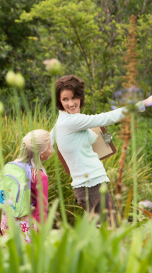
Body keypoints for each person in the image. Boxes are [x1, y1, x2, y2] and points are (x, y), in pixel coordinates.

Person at [50, 75, 152, 225]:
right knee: (112, 231)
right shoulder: (71, 121)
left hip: (91, 185)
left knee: (106, 233)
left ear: (80, 96)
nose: (70, 103)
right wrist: (143, 103)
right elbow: (107, 118)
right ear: (59, 101)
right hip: (90, 186)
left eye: (73, 97)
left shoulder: (63, 121)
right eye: (65, 99)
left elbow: (49, 143)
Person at [0, 130, 52, 242]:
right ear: (41, 154)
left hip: (7, 219)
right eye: (50, 147)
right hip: (26, 225)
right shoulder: (39, 176)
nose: (51, 150)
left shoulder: (12, 168)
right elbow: (41, 210)